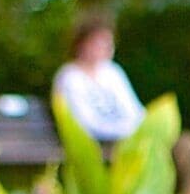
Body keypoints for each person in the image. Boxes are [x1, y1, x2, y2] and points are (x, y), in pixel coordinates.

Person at [52, 15, 145, 146]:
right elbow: (85, 124)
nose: (106, 48)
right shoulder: (69, 77)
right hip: (92, 147)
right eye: (99, 43)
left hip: (125, 141)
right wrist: (126, 131)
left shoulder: (112, 71)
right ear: (81, 44)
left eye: (108, 43)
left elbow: (135, 111)